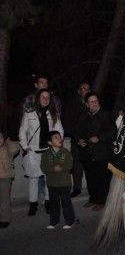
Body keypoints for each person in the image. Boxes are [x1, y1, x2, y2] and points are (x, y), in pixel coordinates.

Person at [19, 88, 64, 216]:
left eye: (47, 97)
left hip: (48, 151)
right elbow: (22, 131)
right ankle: (33, 205)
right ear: (38, 98)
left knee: (48, 178)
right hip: (33, 152)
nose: (45, 99)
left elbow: (60, 131)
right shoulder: (29, 113)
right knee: (33, 179)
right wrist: (25, 146)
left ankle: (48, 203)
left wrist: (56, 144)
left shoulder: (54, 114)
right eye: (43, 97)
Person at [76, 91, 115, 211]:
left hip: (102, 152)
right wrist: (79, 140)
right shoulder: (83, 116)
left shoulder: (106, 115)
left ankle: (101, 201)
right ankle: (93, 199)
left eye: (96, 101)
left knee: (102, 178)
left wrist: (99, 138)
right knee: (90, 178)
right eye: (91, 101)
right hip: (87, 153)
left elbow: (113, 132)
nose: (94, 103)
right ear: (87, 104)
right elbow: (78, 131)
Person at [40, 131, 75, 229]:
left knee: (66, 203)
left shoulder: (66, 152)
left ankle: (69, 221)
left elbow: (70, 165)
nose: (59, 139)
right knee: (53, 204)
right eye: (56, 137)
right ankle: (54, 221)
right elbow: (43, 167)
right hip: (52, 184)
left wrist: (62, 168)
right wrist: (53, 169)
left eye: (60, 137)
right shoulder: (46, 154)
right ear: (50, 143)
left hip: (64, 183)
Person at [62, 82, 90, 198]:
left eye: (88, 88)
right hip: (77, 140)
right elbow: (68, 124)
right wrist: (77, 139)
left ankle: (92, 188)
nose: (86, 90)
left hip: (90, 142)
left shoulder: (92, 103)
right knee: (77, 166)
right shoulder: (73, 105)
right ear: (79, 91)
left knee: (90, 166)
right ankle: (77, 188)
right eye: (83, 88)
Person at [0, 130, 19, 228]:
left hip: (5, 177)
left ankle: (5, 219)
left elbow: (16, 146)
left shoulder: (8, 147)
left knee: (4, 199)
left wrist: (8, 140)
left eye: (1, 137)